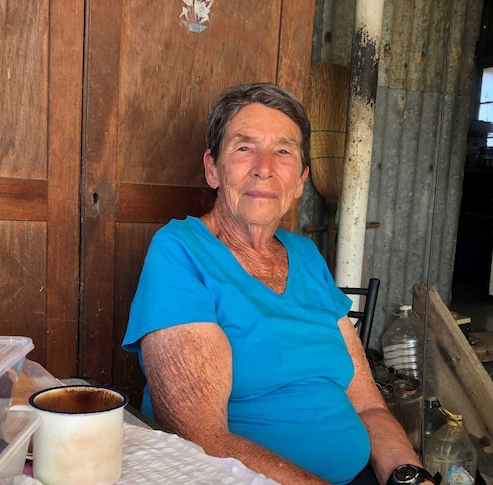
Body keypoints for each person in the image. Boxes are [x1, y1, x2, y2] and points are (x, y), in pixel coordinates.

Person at [122, 83, 434, 485]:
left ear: (301, 179)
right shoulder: (180, 252)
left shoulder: (305, 256)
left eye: (283, 151)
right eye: (244, 147)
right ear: (212, 168)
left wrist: (411, 476)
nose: (264, 167)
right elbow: (201, 436)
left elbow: (369, 406)